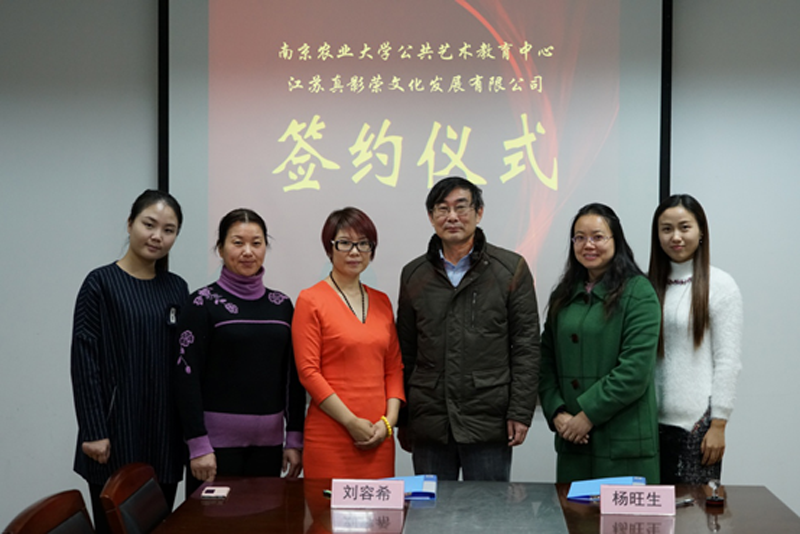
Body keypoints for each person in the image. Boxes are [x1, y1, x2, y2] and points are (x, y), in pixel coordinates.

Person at [396, 176, 540, 481]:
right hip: (430, 422)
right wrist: (405, 419)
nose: (452, 216)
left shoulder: (509, 269)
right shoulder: (413, 275)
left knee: (487, 508)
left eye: (461, 207)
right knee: (431, 508)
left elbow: (526, 346)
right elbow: (406, 351)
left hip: (488, 420)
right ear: (431, 216)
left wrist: (520, 411)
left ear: (479, 212)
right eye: (442, 208)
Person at [71, 190, 188, 534]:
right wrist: (94, 430)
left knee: (159, 527)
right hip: (113, 434)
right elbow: (84, 361)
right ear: (130, 223)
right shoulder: (100, 284)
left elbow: (185, 363)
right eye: (149, 224)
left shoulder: (177, 289)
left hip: (164, 436)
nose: (157, 236)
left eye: (168, 230)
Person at [175, 208, 305, 496]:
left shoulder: (281, 305)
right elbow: (186, 378)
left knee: (264, 519)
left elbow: (292, 378)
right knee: (211, 520)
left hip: (269, 447)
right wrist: (197, 444)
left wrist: (295, 438)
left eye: (256, 243)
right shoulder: (201, 303)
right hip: (214, 449)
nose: (248, 252)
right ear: (220, 248)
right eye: (237, 242)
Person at [539, 203, 661, 483]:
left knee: (621, 513)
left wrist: (587, 416)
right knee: (574, 511)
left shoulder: (639, 292)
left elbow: (634, 371)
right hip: (573, 440)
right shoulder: (563, 294)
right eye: (579, 238)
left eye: (598, 237)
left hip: (624, 442)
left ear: (616, 241)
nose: (588, 245)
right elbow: (545, 360)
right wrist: (557, 412)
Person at [292, 207, 405, 479]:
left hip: (379, 436)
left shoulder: (382, 301)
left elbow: (394, 368)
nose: (355, 251)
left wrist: (388, 423)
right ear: (329, 248)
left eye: (363, 243)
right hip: (331, 436)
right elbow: (308, 373)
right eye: (345, 243)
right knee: (326, 508)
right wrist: (351, 422)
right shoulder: (311, 300)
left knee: (379, 507)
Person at [649, 194, 742, 484]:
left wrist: (719, 424)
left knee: (694, 511)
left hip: (697, 428)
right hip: (646, 425)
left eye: (684, 227)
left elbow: (727, 361)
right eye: (666, 229)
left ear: (701, 231)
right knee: (648, 511)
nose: (675, 237)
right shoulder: (644, 285)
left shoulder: (721, 285)